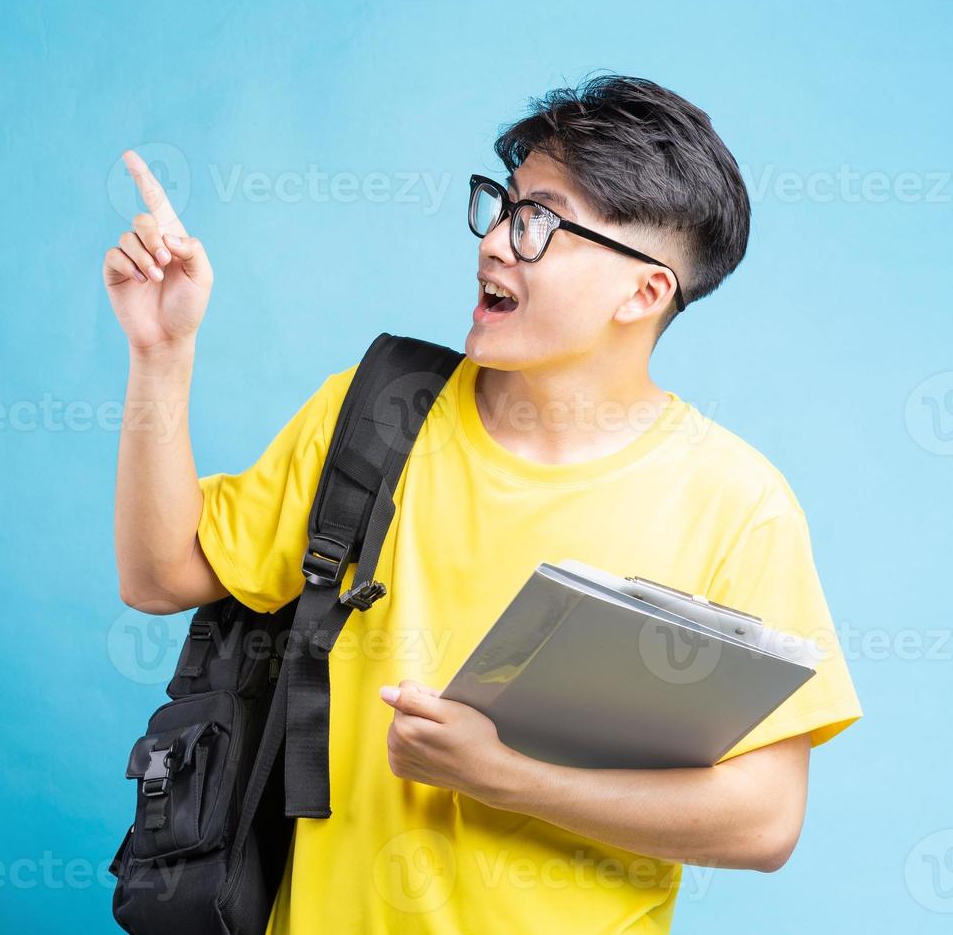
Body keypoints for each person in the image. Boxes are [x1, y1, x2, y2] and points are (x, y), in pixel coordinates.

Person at [102, 74, 862, 934]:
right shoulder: (377, 413)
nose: (497, 241)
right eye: (503, 206)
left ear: (643, 293)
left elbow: (764, 821)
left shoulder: (735, 503)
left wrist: (505, 778)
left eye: (541, 220)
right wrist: (160, 354)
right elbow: (160, 575)